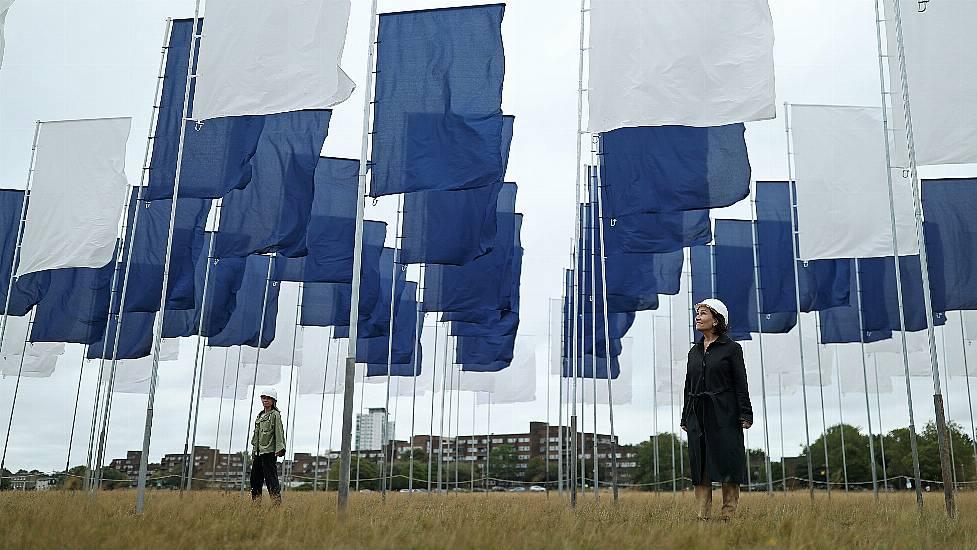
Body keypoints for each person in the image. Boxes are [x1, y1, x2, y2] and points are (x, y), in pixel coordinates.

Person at [680, 299, 753, 521]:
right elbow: (688, 386)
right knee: (700, 466)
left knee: (728, 463)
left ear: (716, 320)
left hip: (725, 415)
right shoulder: (693, 352)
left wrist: (745, 413)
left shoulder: (732, 349)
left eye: (703, 313)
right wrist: (685, 416)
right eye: (697, 313)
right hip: (697, 416)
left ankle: (728, 517)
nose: (698, 317)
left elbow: (741, 383)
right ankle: (702, 518)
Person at [250, 388, 286, 503]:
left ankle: (276, 505)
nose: (265, 400)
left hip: (269, 452)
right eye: (263, 398)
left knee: (271, 480)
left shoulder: (275, 415)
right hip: (258, 453)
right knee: (255, 480)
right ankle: (256, 505)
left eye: (268, 398)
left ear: (273, 400)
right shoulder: (260, 415)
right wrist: (253, 452)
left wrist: (280, 448)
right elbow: (256, 436)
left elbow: (279, 432)